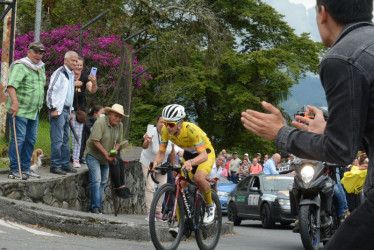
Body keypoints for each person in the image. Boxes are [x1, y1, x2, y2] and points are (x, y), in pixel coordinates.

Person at [241, 0, 374, 248]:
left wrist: (281, 133)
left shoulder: (342, 58)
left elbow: (340, 151)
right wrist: (330, 129)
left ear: (322, 13)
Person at [150, 104, 216, 227]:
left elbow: (203, 156)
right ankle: (180, 225)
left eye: (171, 124)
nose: (167, 127)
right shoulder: (165, 131)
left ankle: (210, 205)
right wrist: (155, 163)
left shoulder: (192, 130)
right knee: (179, 187)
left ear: (180, 123)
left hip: (205, 153)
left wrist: (190, 162)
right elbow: (161, 152)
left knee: (199, 177)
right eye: (165, 123)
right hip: (189, 154)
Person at [6, 42, 46, 180]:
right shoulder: (20, 66)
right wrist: (15, 103)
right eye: (36, 52)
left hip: (34, 111)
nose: (38, 55)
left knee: (30, 139)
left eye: (41, 53)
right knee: (19, 139)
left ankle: (25, 168)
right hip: (20, 110)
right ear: (29, 52)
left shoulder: (41, 67)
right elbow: (11, 86)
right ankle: (14, 169)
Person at [84, 104, 127, 214]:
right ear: (109, 114)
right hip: (93, 155)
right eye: (116, 116)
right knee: (97, 180)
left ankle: (97, 206)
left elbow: (118, 142)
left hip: (106, 157)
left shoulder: (120, 125)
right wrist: (106, 154)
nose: (118, 119)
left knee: (103, 181)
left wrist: (114, 152)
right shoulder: (100, 122)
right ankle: (94, 207)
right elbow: (95, 141)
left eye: (120, 117)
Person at [140, 116, 179, 221]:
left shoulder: (170, 134)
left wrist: (174, 167)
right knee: (151, 187)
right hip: (148, 162)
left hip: (162, 164)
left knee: (163, 186)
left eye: (165, 123)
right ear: (157, 123)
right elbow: (144, 146)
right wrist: (148, 141)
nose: (162, 124)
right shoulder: (151, 131)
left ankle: (158, 212)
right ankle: (149, 213)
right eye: (161, 122)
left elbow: (172, 152)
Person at [47, 51, 79, 175]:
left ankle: (65, 164)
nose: (75, 63)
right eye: (73, 60)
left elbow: (69, 94)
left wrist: (71, 110)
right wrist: (53, 108)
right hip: (58, 110)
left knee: (66, 139)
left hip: (66, 110)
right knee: (58, 139)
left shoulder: (71, 74)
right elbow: (51, 91)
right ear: (65, 60)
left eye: (76, 61)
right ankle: (55, 165)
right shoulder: (59, 73)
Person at [71, 56, 97, 168]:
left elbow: (92, 90)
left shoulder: (85, 78)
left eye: (80, 65)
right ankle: (62, 159)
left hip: (79, 111)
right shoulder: (67, 76)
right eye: (76, 64)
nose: (78, 67)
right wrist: (73, 84)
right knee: (64, 136)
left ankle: (76, 159)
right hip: (66, 109)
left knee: (78, 136)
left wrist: (94, 82)